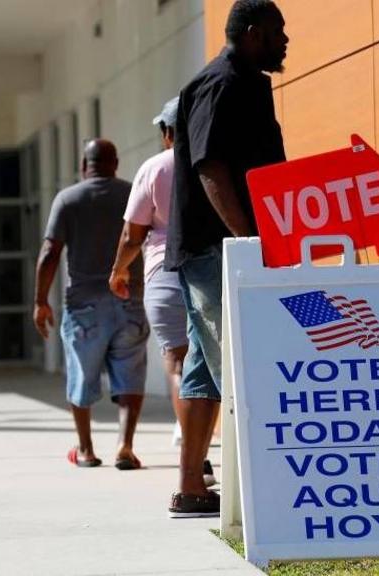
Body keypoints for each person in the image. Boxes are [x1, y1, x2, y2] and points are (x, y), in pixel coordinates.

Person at [164, 0, 288, 517]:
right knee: (237, 363)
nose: (287, 41)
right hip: (219, 249)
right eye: (280, 32)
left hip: (227, 248)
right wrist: (247, 241)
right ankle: (263, 489)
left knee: (203, 367)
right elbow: (210, 167)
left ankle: (192, 487)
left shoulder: (247, 82)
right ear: (255, 33)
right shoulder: (222, 83)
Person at [109, 97, 220, 487]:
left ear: (168, 133)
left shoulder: (155, 168)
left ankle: (194, 459)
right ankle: (200, 456)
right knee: (210, 365)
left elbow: (132, 234)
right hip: (213, 274)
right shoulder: (214, 164)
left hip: (165, 273)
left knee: (178, 363)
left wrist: (119, 271)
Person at [34, 139, 150, 470]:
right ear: (114, 163)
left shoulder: (68, 199)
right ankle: (125, 446)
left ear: (85, 166)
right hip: (129, 299)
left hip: (84, 305)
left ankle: (85, 449)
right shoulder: (132, 194)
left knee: (80, 375)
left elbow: (49, 253)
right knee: (130, 373)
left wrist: (41, 301)